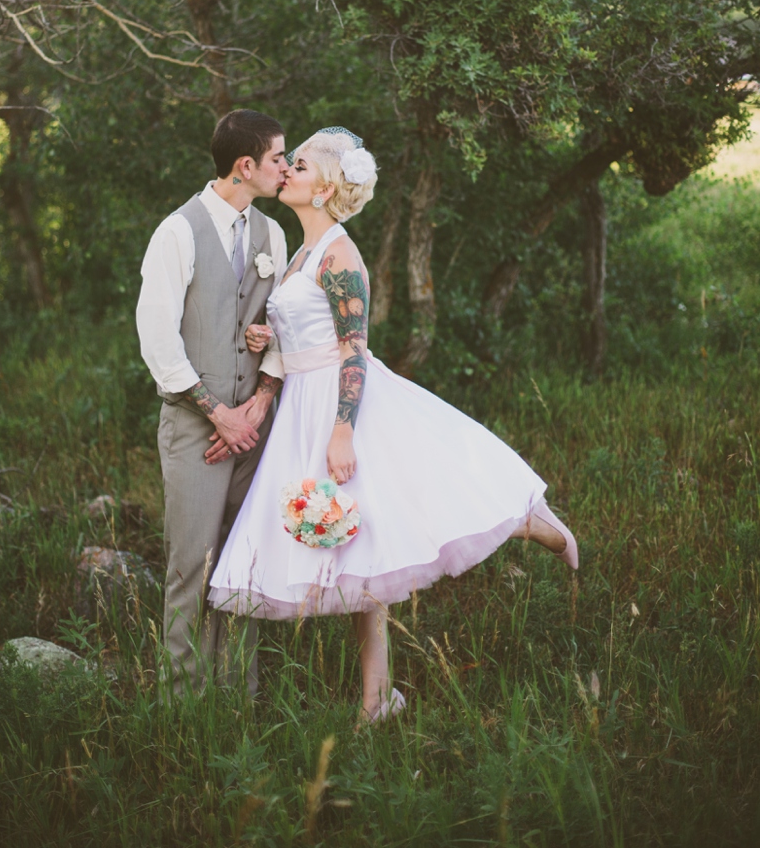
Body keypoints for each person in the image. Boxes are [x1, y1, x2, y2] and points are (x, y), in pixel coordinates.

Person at [208, 127, 578, 723]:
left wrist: (342, 431)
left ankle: (534, 524)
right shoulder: (299, 250)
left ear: (324, 186)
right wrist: (268, 336)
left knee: (399, 518)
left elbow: (353, 349)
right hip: (300, 404)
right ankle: (377, 699)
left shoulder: (340, 254)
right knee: (361, 551)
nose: (287, 171)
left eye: (297, 165)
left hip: (341, 404)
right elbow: (308, 328)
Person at [136, 109, 289, 691]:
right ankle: (184, 706)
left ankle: (237, 697)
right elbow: (157, 338)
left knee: (243, 563)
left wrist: (263, 395)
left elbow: (279, 324)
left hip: (253, 429)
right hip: (198, 428)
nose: (286, 166)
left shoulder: (271, 235)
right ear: (245, 166)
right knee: (192, 567)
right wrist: (217, 412)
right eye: (278, 157)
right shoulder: (177, 231)